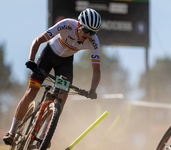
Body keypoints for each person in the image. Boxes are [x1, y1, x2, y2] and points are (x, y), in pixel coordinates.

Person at [3, 8, 101, 145]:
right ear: (79, 25)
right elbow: (38, 40)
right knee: (31, 93)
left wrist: (93, 90)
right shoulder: (66, 24)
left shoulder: (94, 41)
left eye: (93, 32)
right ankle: (12, 131)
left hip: (65, 63)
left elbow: (96, 70)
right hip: (48, 56)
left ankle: (44, 135)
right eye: (86, 30)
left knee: (62, 96)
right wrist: (31, 60)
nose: (88, 35)